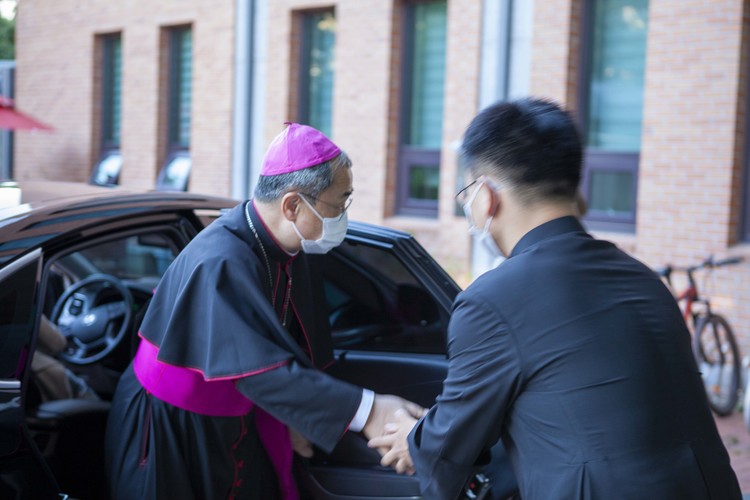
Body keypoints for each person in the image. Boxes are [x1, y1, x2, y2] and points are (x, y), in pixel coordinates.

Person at [368, 98, 742, 500]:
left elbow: (451, 444)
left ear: (486, 196)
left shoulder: (492, 301)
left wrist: (413, 440)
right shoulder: (643, 278)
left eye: (466, 196)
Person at [105, 123, 424, 500]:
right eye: (338, 203)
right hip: (172, 426)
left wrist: (299, 414)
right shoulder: (219, 261)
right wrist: (369, 411)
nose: (342, 215)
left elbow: (290, 346)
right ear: (292, 205)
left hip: (240, 416)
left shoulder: (293, 245)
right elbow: (259, 370)